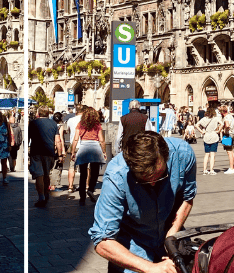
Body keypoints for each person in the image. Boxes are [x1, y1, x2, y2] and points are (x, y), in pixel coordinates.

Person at [89, 131, 196, 273]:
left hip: (169, 238)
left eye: (159, 177)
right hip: (132, 245)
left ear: (167, 157)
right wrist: (150, 268)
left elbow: (187, 198)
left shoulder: (183, 154)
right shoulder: (117, 174)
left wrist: (171, 235)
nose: (152, 184)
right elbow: (102, 240)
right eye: (143, 179)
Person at [29, 108, 65, 207]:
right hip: (49, 152)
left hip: (36, 152)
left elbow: (28, 138)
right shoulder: (53, 124)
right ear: (48, 113)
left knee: (39, 176)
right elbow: (58, 141)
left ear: (38, 113)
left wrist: (26, 152)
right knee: (46, 174)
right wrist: (60, 154)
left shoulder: (33, 123)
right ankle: (46, 193)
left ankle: (41, 197)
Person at [74, 106, 108, 205]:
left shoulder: (80, 124)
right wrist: (104, 152)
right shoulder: (97, 125)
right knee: (95, 172)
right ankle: (91, 189)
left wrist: (73, 152)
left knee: (83, 174)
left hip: (84, 147)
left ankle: (82, 197)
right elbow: (101, 140)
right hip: (95, 148)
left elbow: (76, 139)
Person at [195, 108, 222, 175]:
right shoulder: (216, 118)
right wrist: (218, 131)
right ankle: (211, 170)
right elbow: (222, 124)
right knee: (212, 154)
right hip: (214, 136)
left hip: (206, 136)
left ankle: (204, 170)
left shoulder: (204, 119)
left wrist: (201, 131)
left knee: (206, 154)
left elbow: (196, 125)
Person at [64, 107, 84, 194]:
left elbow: (67, 130)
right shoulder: (86, 120)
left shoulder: (70, 120)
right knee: (85, 167)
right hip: (84, 145)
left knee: (72, 167)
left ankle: (70, 186)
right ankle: (86, 186)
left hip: (74, 145)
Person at [220, 106, 234, 174]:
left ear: (222, 112)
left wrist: (225, 130)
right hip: (233, 134)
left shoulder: (226, 117)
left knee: (229, 152)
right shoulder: (230, 116)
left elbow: (227, 125)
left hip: (228, 135)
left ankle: (231, 168)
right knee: (232, 151)